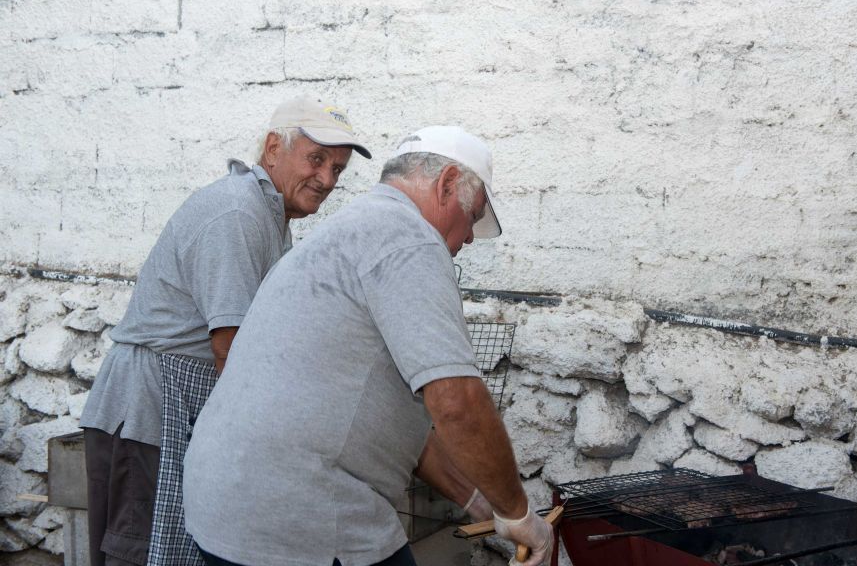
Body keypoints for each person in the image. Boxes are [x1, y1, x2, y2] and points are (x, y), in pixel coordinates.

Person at [182, 126, 553, 566]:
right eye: (471, 216)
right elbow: (455, 402)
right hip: (300, 514)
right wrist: (519, 512)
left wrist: (479, 501)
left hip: (225, 503)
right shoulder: (410, 237)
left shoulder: (353, 226)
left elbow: (393, 423)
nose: (469, 237)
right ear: (447, 183)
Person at [78, 95, 372, 566]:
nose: (327, 179)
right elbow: (231, 349)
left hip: (180, 406)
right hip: (151, 411)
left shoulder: (268, 212)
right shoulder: (239, 212)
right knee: (138, 554)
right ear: (273, 148)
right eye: (316, 160)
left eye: (338, 169)